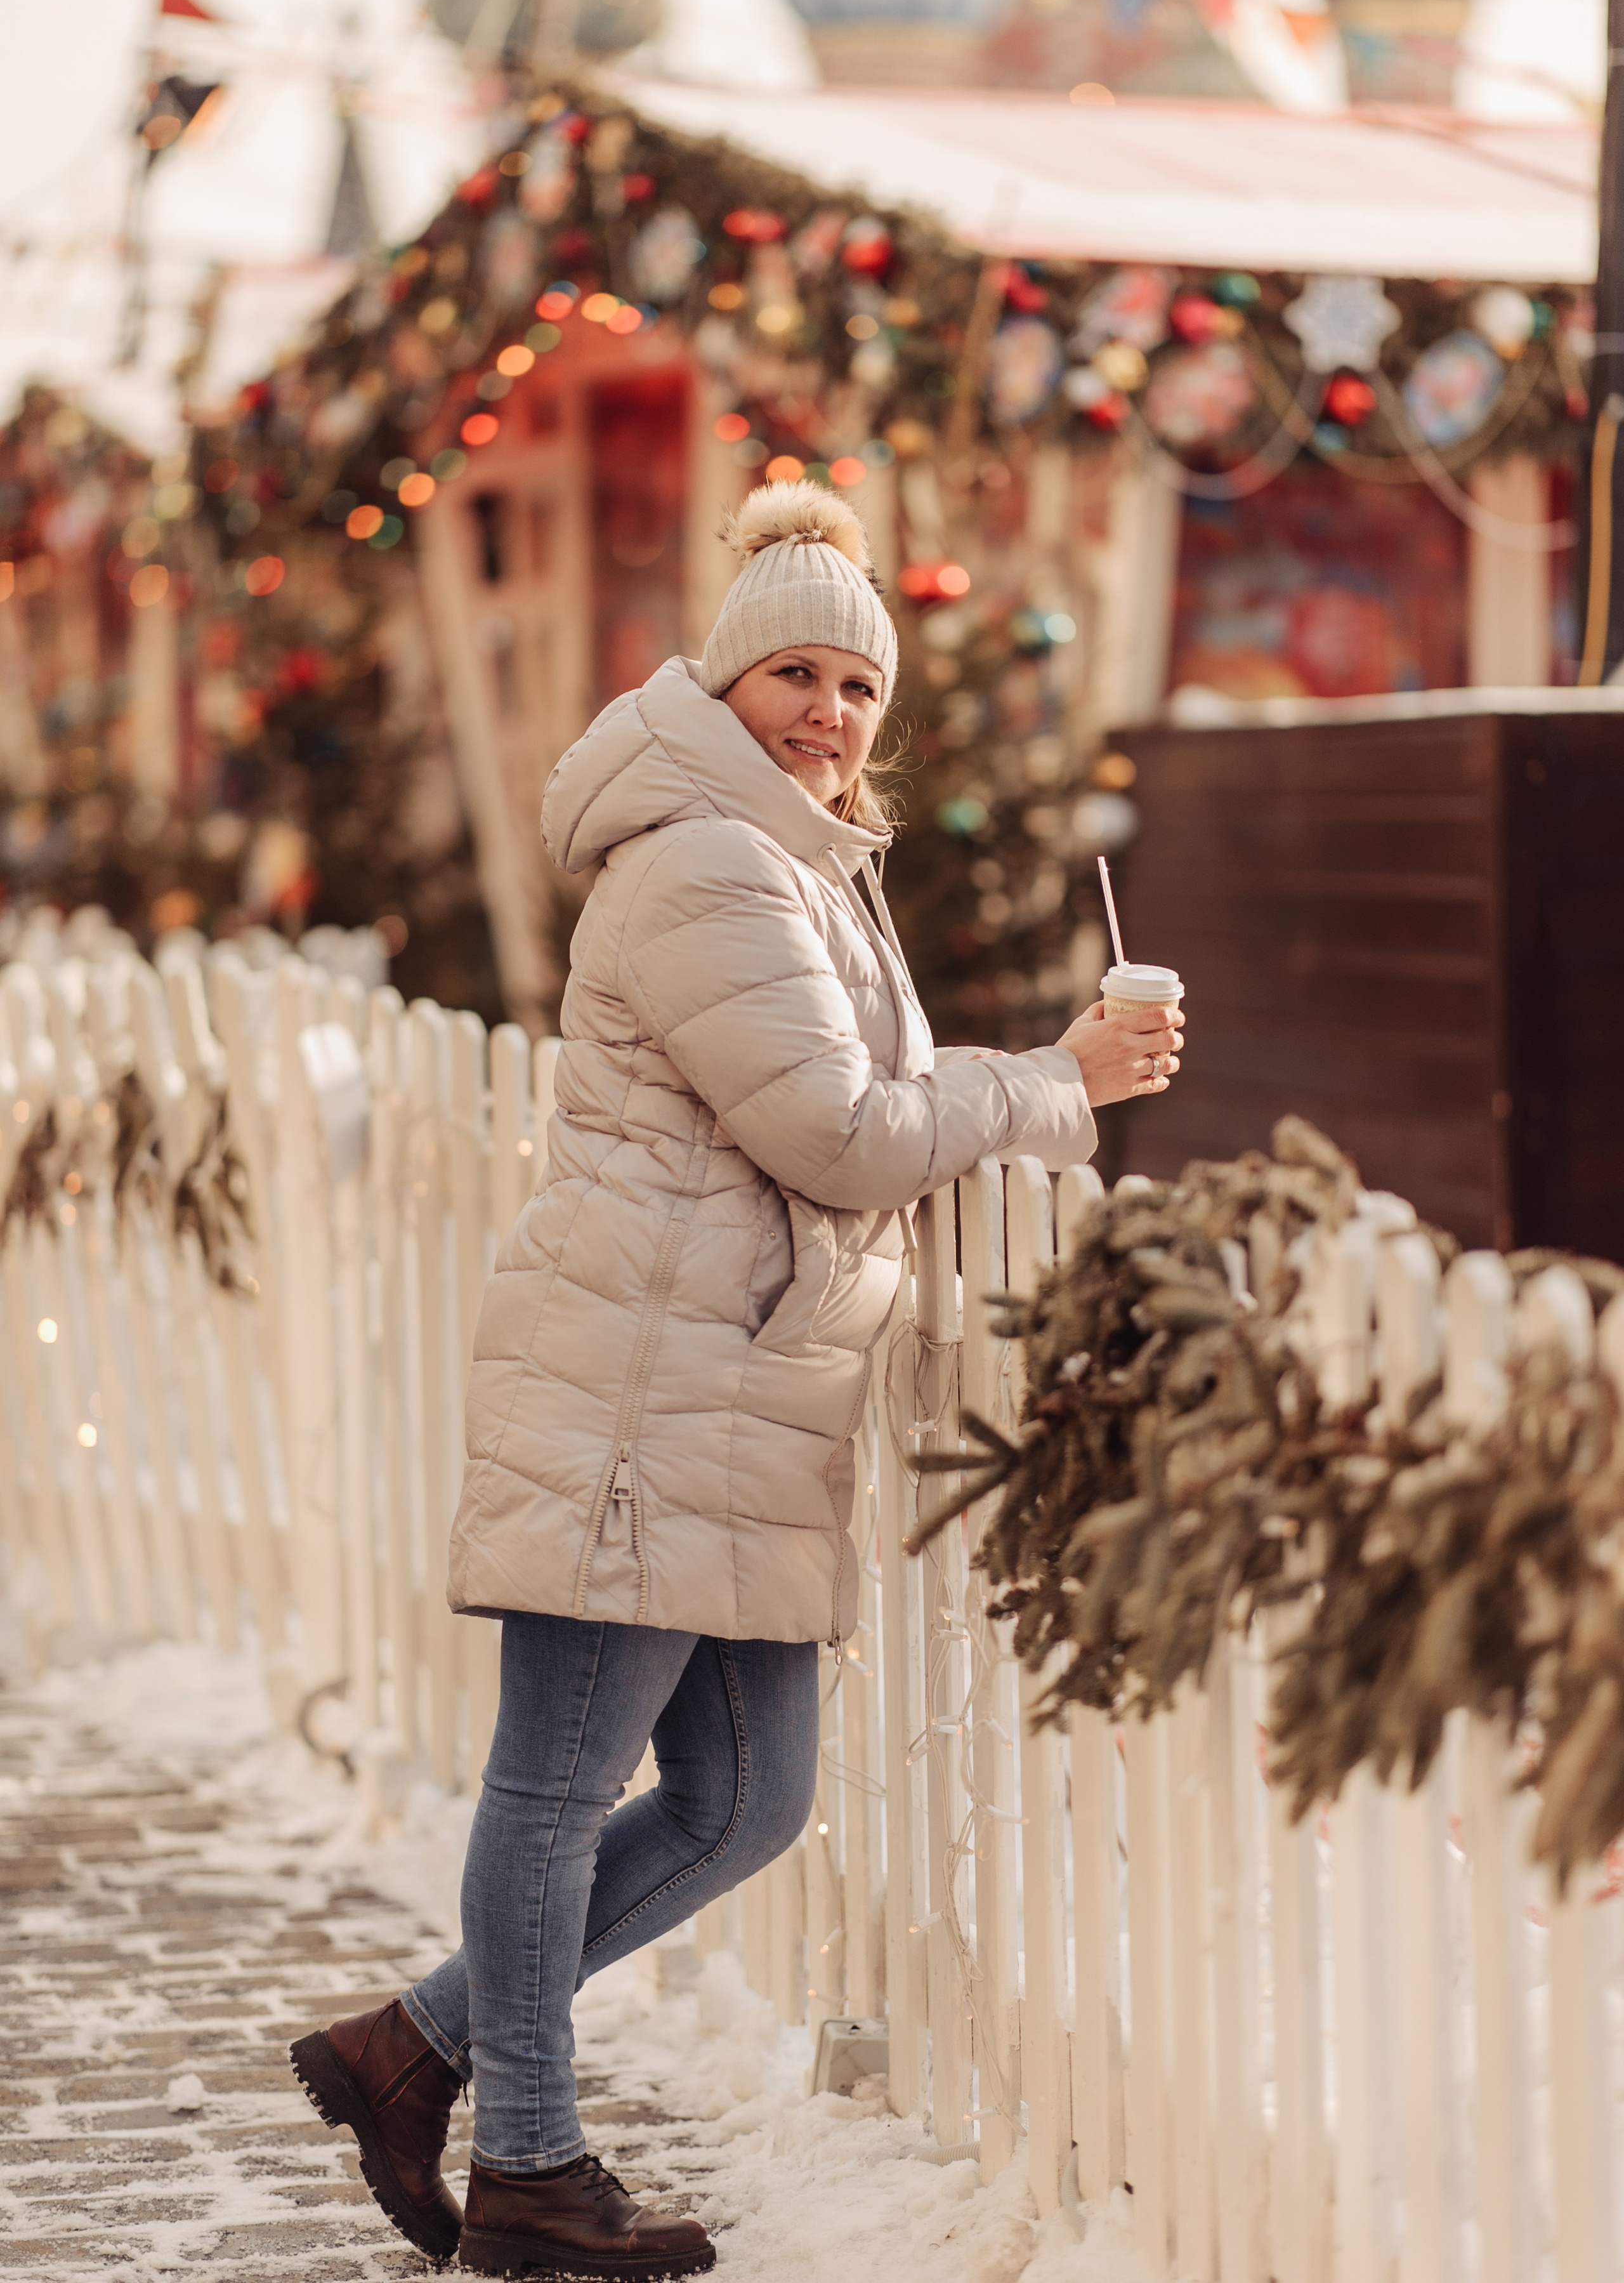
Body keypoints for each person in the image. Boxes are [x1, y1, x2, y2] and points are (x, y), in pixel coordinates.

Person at [290, 482, 1184, 2278]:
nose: (829, 715)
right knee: (556, 1784)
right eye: (794, 673)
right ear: (723, 680)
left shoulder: (800, 863)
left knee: (745, 1801)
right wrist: (1063, 1078)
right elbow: (840, 1136)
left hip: (742, 1398)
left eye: (857, 689)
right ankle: (529, 2173)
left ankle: (417, 2050)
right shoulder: (706, 858)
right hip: (645, 1383)